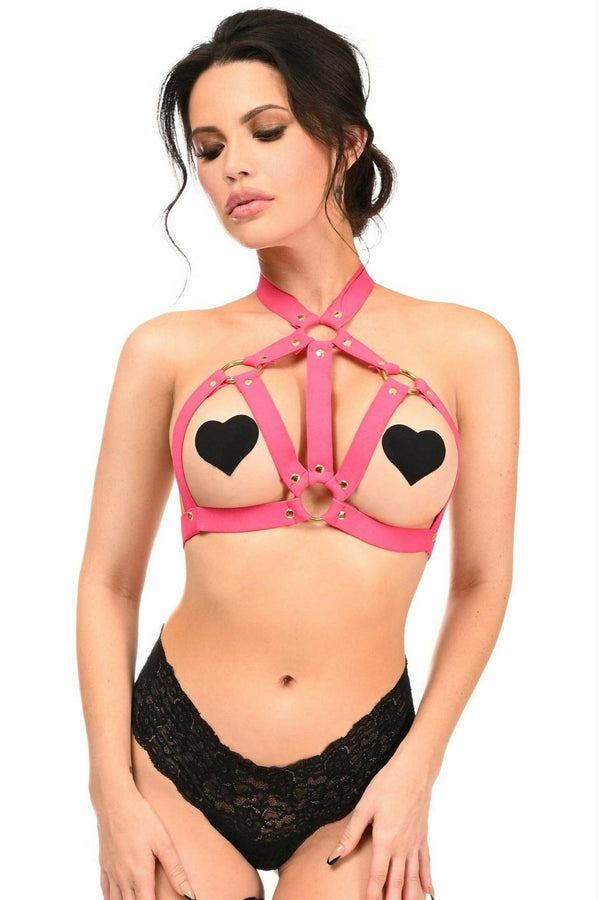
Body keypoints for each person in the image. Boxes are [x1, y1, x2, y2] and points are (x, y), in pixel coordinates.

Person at [76, 9, 519, 900]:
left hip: (368, 763)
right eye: (208, 148)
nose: (231, 166)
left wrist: (418, 769)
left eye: (266, 131)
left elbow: (481, 581)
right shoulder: (164, 350)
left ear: (347, 142)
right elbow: (109, 582)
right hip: (174, 754)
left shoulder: (471, 348)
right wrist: (110, 793)